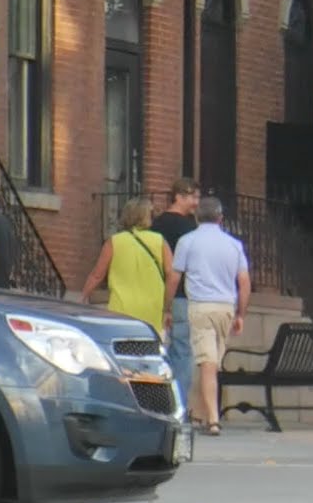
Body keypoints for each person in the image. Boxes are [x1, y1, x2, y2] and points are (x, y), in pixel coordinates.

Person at [165, 196, 251, 436]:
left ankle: (212, 420)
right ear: (221, 218)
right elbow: (244, 282)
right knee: (211, 364)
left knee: (207, 365)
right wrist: (240, 314)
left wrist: (167, 308)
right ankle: (205, 415)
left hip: (200, 307)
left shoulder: (187, 241)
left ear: (196, 217)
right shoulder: (234, 245)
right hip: (225, 307)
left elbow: (174, 277)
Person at [80, 197, 172, 332]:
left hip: (121, 307)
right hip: (152, 307)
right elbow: (171, 273)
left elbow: (97, 275)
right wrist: (167, 306)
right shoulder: (160, 241)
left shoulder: (114, 241)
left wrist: (84, 296)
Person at [150, 178, 201, 415]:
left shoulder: (155, 225)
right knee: (182, 350)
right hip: (182, 295)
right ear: (178, 196)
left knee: (158, 350)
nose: (196, 202)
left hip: (156, 293)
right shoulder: (190, 230)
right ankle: (179, 405)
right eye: (192, 197)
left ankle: (158, 402)